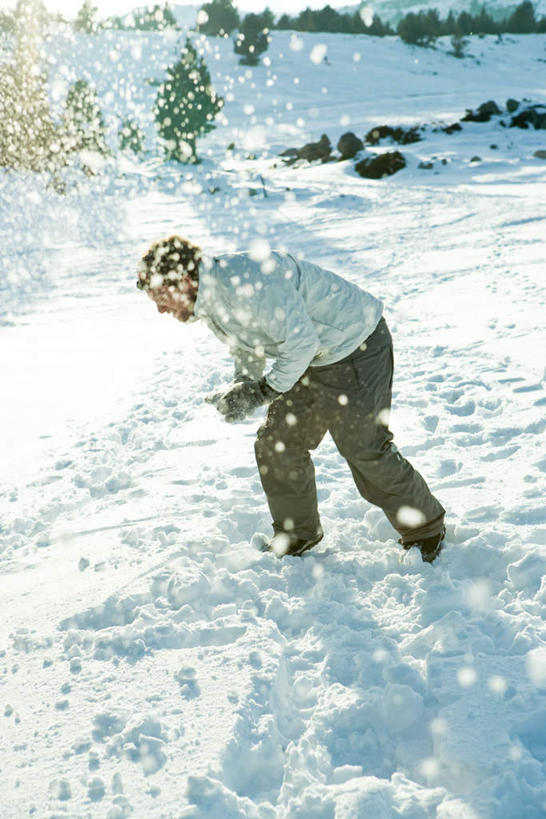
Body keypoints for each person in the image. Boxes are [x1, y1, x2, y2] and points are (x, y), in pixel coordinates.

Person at [137, 235, 446, 561]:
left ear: (184, 280)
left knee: (364, 446)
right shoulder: (209, 297)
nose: (160, 309)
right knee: (277, 442)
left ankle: (425, 528)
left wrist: (264, 391)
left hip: (355, 344)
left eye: (161, 296)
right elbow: (247, 342)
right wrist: (244, 381)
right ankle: (299, 533)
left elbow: (300, 344)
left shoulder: (253, 282)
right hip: (312, 356)